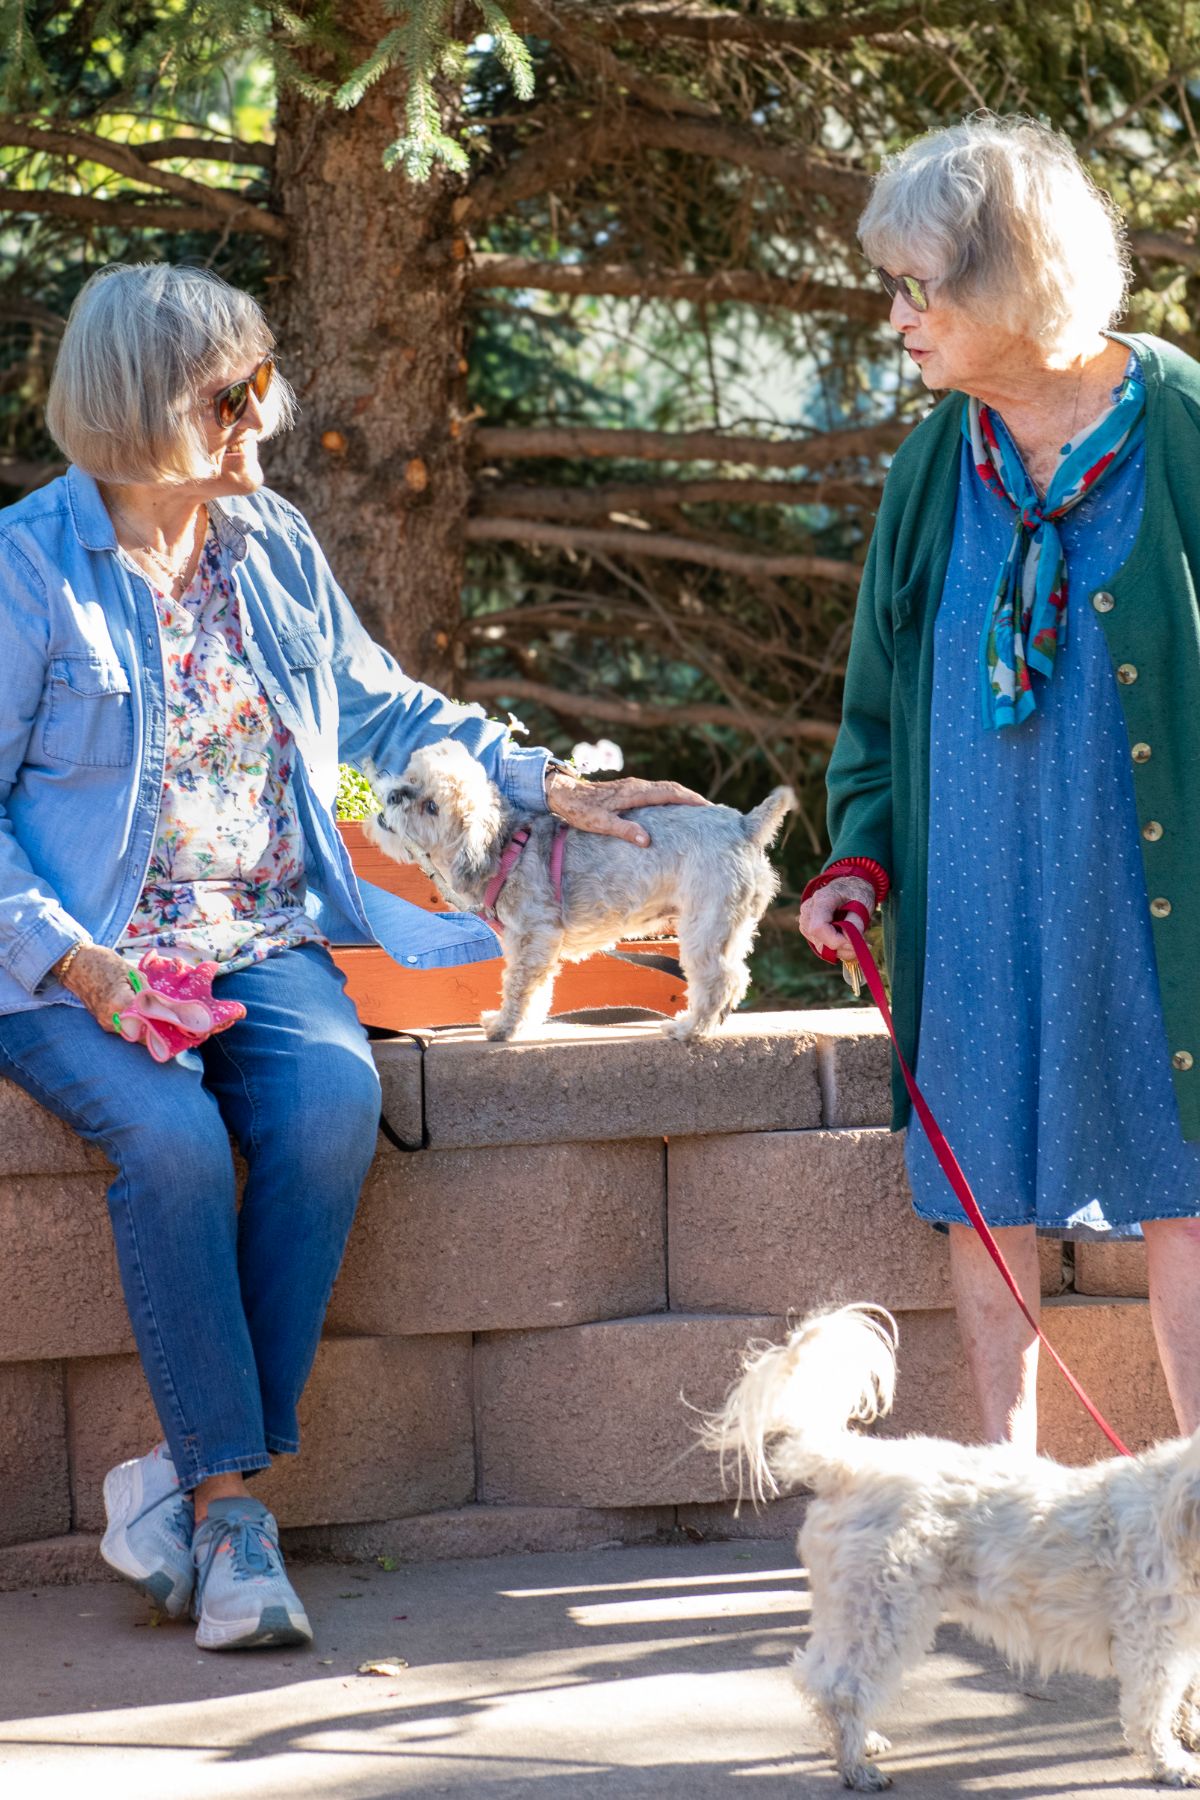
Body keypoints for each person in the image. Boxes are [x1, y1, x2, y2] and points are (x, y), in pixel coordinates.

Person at [0, 262, 698, 1650]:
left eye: (262, 383)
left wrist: (553, 782)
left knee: (329, 1108)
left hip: (258, 936)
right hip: (76, 961)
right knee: (176, 1146)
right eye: (234, 393)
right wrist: (79, 963)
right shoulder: (26, 571)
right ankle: (232, 1512)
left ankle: (179, 1478)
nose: (267, 413)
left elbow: (385, 712)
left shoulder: (269, 544)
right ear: (146, 405)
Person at [798, 113, 1200, 1455]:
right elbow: (875, 704)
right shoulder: (932, 470)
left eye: (920, 289)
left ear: (1013, 279)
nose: (896, 321)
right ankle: (1004, 1503)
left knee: (1188, 1184)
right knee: (987, 1192)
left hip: (1156, 904)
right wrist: (859, 857)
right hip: (971, 905)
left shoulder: (1186, 435)